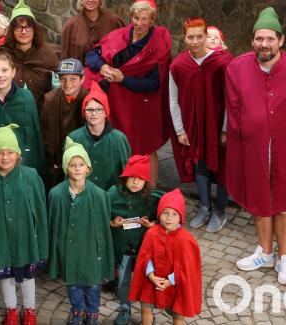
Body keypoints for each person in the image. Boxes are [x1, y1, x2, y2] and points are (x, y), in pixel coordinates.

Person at [226, 7, 286, 286]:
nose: (264, 44)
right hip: (254, 148)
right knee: (259, 203)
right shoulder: (236, 68)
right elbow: (233, 109)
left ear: (281, 40)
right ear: (252, 40)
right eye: (259, 39)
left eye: (269, 39)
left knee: (285, 205)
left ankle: (284, 257)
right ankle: (265, 253)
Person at [84, 0, 171, 177]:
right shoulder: (119, 36)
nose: (139, 23)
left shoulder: (158, 45)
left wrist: (124, 79)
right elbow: (91, 55)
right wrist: (102, 67)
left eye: (144, 19)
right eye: (135, 18)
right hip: (114, 101)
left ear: (152, 20)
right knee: (113, 146)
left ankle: (147, 189)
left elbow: (154, 83)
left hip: (140, 104)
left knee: (145, 148)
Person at [0, 124, 48, 325]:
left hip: (25, 237)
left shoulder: (31, 176)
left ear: (17, 154)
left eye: (10, 152)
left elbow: (40, 209)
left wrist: (41, 239)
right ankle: (11, 310)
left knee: (27, 276)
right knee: (5, 276)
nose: (5, 157)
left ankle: (30, 310)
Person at [169, 17, 233, 233]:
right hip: (193, 125)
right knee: (200, 164)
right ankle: (205, 206)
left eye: (199, 36)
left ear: (206, 36)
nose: (195, 41)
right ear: (184, 38)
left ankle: (220, 210)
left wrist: (225, 128)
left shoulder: (222, 63)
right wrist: (180, 130)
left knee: (223, 167)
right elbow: (173, 99)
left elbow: (231, 98)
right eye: (190, 37)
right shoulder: (179, 65)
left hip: (218, 125)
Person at [48, 138, 114, 325]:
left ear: (88, 168)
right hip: (69, 248)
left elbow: (103, 228)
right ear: (65, 168)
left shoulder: (100, 195)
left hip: (91, 248)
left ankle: (92, 313)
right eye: (72, 165)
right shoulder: (56, 194)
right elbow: (53, 224)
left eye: (81, 164)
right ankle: (77, 310)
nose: (77, 168)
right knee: (74, 283)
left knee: (93, 283)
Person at [128, 189, 202, 325]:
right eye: (165, 213)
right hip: (152, 279)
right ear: (159, 214)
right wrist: (151, 275)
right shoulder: (151, 233)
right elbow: (145, 258)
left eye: (174, 214)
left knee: (178, 315)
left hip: (175, 283)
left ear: (181, 217)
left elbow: (187, 267)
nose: (169, 218)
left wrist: (170, 281)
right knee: (146, 307)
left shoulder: (186, 240)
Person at [108, 155, 164, 325]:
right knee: (123, 281)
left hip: (143, 249)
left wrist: (153, 224)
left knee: (147, 280)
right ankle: (124, 309)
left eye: (140, 178)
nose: (135, 182)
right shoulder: (112, 194)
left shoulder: (153, 198)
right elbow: (100, 213)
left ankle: (148, 312)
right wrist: (111, 222)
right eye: (131, 177)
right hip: (123, 248)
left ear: (146, 181)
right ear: (125, 178)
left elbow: (168, 212)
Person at [67, 82, 131, 191]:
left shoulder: (119, 139)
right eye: (89, 109)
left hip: (111, 196)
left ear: (106, 113)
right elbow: (68, 172)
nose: (94, 113)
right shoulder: (74, 138)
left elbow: (126, 173)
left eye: (99, 109)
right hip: (83, 195)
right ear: (84, 112)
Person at [0, 0, 59, 108]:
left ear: (35, 30)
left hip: (40, 111)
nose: (24, 31)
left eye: (28, 27)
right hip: (8, 110)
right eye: (18, 27)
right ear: (12, 31)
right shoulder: (3, 55)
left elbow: (58, 88)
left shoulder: (48, 54)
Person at [40, 58, 87, 189]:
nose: (67, 83)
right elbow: (45, 134)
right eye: (63, 79)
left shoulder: (88, 99)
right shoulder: (49, 99)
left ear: (82, 79)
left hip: (81, 161)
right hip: (55, 162)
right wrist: (54, 160)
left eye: (73, 79)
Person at [60, 0, 124, 63]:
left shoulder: (114, 21)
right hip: (80, 71)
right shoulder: (71, 25)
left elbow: (124, 50)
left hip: (108, 70)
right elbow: (65, 57)